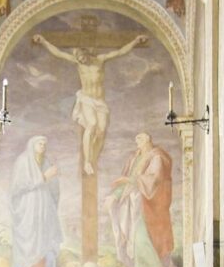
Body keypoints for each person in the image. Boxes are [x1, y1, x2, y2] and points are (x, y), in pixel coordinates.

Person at [32, 32, 147, 175]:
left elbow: (120, 52)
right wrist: (43, 41)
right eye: (79, 59)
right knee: (92, 124)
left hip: (100, 101)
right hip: (86, 98)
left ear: (87, 55)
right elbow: (58, 53)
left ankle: (93, 159)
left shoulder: (100, 60)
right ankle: (87, 162)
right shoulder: (77, 63)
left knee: (102, 130)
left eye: (83, 58)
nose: (81, 61)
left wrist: (135, 41)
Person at [106, 131, 180, 267]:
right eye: (136, 139)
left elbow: (154, 180)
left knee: (140, 235)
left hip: (150, 203)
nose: (137, 141)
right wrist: (115, 195)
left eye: (140, 138)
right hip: (134, 202)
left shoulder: (157, 157)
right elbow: (126, 182)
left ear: (148, 140)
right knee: (134, 235)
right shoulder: (134, 158)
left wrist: (128, 180)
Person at [9, 136, 61, 267]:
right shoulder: (23, 161)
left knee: (42, 237)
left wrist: (52, 179)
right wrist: (44, 177)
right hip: (28, 206)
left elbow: (53, 185)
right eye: (40, 143)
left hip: (43, 207)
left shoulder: (45, 162)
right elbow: (19, 186)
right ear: (32, 145)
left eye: (45, 144)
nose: (43, 146)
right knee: (29, 236)